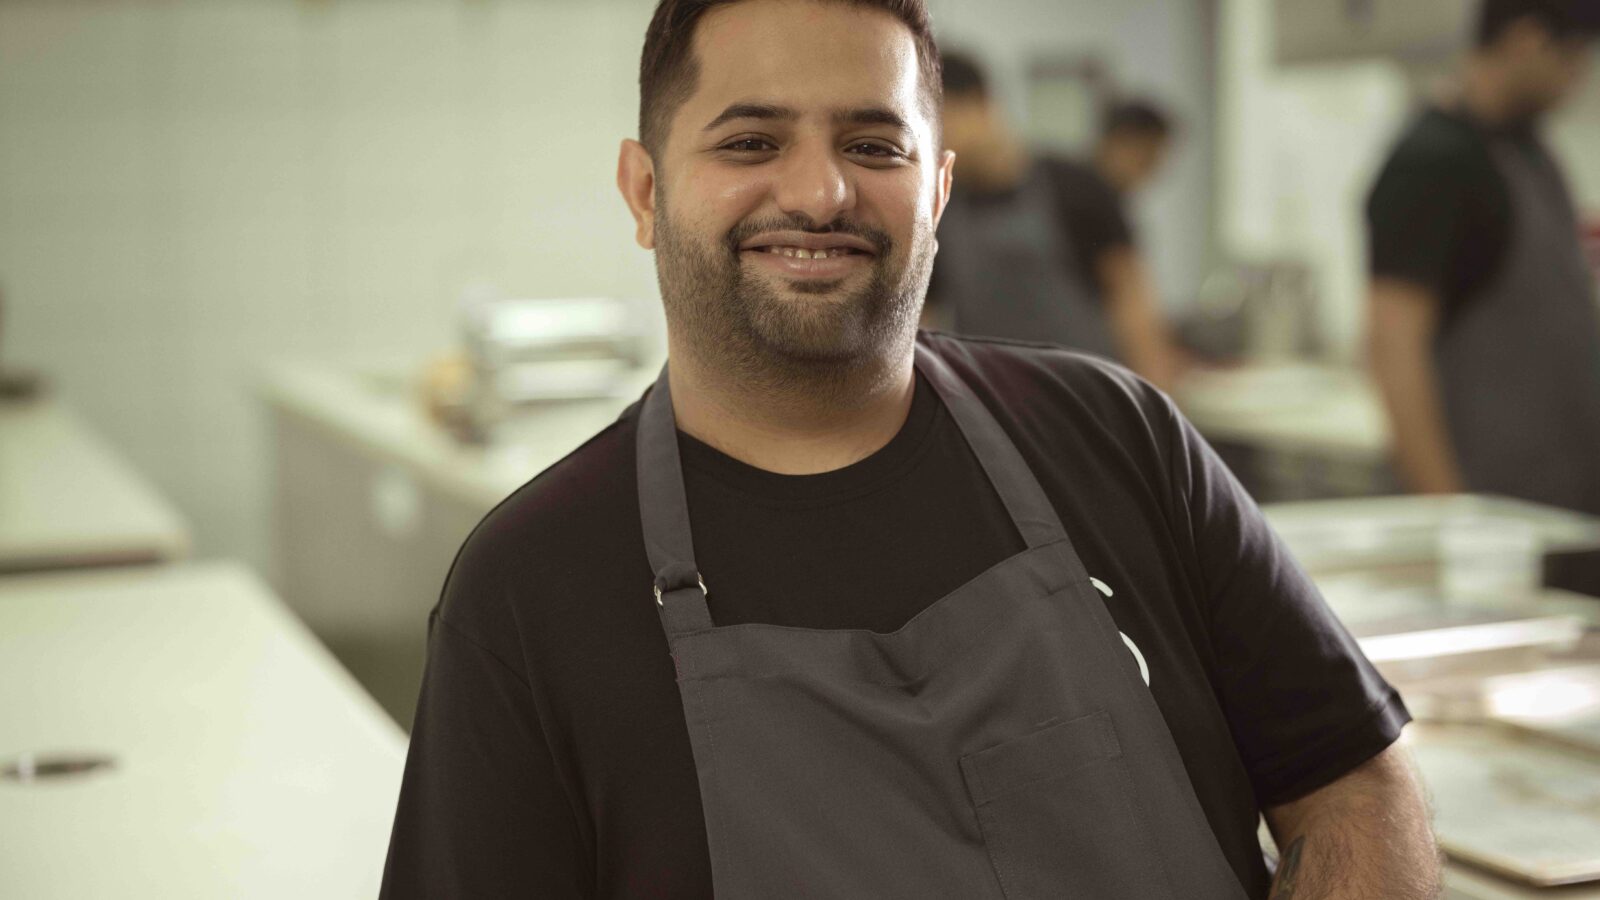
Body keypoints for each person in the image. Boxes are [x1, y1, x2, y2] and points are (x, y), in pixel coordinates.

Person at [380, 1, 1439, 896]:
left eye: (872, 145)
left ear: (936, 188)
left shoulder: (1116, 438)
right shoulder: (528, 589)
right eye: (750, 141)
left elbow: (1354, 778)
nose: (818, 193)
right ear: (646, 191)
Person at [1367, 0, 1600, 515]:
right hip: (1496, 507)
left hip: (1564, 500)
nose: (1579, 79)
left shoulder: (1529, 150)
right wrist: (1451, 515)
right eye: (1575, 57)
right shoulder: (1433, 162)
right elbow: (1393, 345)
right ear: (1527, 41)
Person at [929, 52, 1187, 390]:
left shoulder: (1076, 187)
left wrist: (1160, 411)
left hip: (1091, 401)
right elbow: (927, 321)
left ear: (980, 103)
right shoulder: (938, 211)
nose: (929, 140)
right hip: (993, 405)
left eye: (936, 120)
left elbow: (1134, 310)